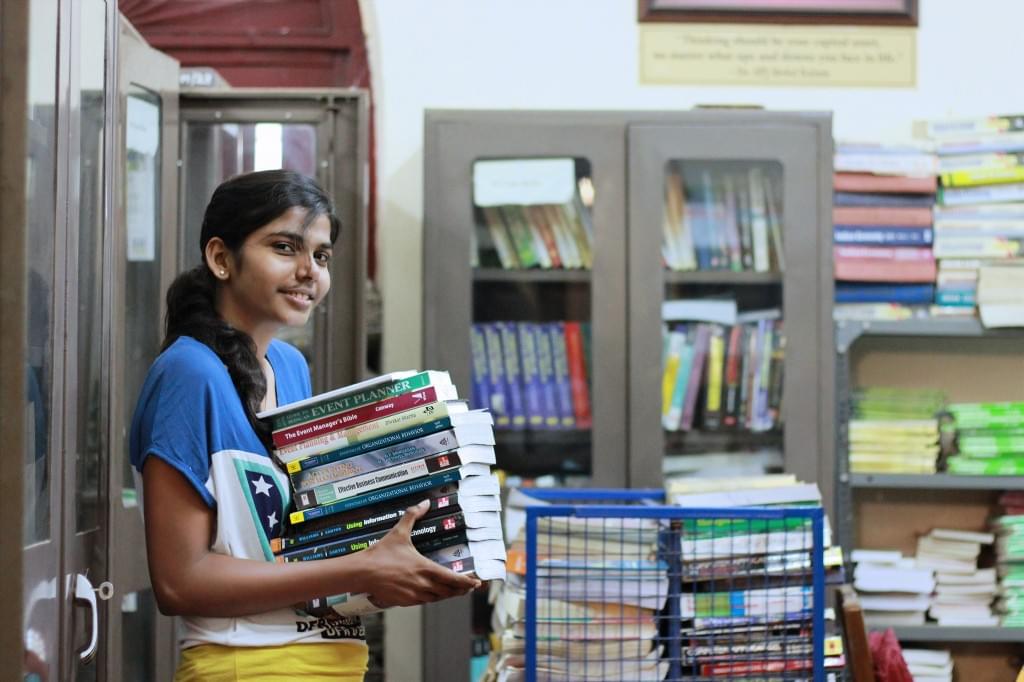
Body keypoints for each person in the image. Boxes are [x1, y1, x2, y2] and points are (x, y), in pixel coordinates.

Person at [129, 169, 479, 681]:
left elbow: (292, 552)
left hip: (329, 658)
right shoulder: (190, 374)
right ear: (221, 258)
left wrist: (409, 566)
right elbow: (181, 582)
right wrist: (362, 568)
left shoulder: (290, 368)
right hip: (249, 665)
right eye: (284, 247)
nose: (309, 271)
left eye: (321, 256)